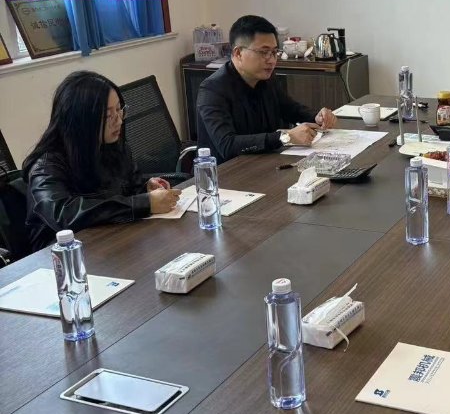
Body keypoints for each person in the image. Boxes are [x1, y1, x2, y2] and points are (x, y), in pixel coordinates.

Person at [23, 71, 181, 251]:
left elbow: (126, 190)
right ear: (81, 119)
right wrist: (144, 203)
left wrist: (146, 188)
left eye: (119, 109)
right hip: (62, 258)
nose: (119, 120)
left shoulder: (114, 147)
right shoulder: (45, 167)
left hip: (113, 245)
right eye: (108, 115)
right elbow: (65, 215)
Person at [196, 15, 337, 164]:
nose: (271, 60)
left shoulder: (266, 78)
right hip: (227, 172)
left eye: (274, 52)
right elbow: (227, 145)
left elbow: (290, 109)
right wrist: (286, 137)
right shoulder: (212, 90)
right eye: (264, 52)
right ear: (238, 53)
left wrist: (316, 117)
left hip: (264, 163)